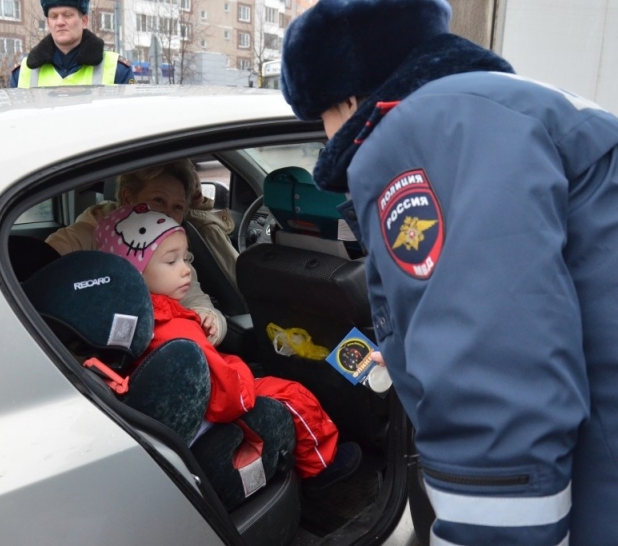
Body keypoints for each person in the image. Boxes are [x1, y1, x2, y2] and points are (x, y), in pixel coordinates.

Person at [280, 0, 618, 544]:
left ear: (347, 96)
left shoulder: (425, 133)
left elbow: (496, 377)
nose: (325, 138)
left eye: (319, 118)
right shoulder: (505, 105)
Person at [93, 203, 363, 489]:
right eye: (171, 261)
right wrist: (239, 367)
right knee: (294, 394)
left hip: (186, 418)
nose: (186, 270)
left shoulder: (122, 324)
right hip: (216, 409)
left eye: (186, 259)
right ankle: (321, 468)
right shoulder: (177, 329)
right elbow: (232, 398)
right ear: (133, 272)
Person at [45, 159, 225, 345]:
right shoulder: (75, 240)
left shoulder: (171, 248)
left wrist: (209, 322)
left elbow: (200, 304)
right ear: (128, 198)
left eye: (177, 207)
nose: (167, 214)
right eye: (159, 200)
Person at [11, 0, 135, 88]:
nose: (60, 22)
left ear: (84, 21)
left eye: (67, 15)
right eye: (54, 16)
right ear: (48, 23)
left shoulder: (117, 69)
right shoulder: (22, 72)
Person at [186, 165, 239, 290]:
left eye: (193, 169)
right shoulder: (207, 228)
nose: (194, 181)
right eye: (183, 177)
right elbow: (240, 279)